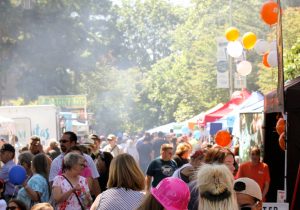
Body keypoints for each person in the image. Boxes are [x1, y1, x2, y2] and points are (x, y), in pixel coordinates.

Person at [49, 131, 100, 196]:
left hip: (83, 202)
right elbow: (52, 185)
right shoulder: (56, 162)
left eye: (64, 141)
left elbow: (95, 181)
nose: (61, 144)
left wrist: (98, 202)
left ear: (73, 143)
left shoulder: (87, 159)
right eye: (60, 141)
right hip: (63, 202)